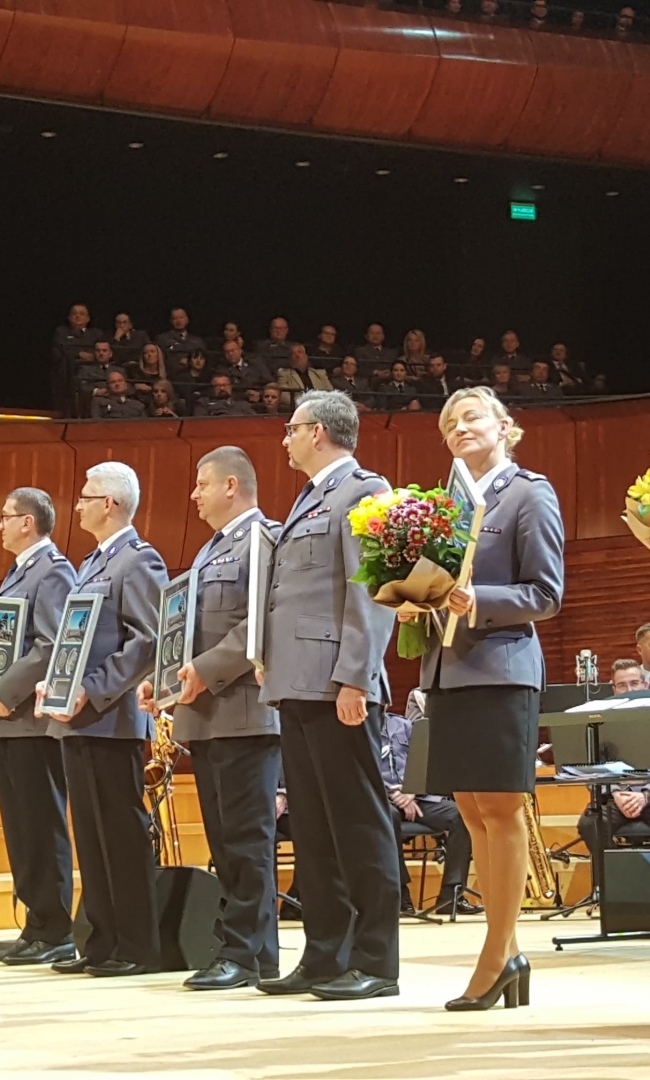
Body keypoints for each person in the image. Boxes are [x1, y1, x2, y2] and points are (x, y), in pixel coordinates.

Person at [405, 387, 564, 1011]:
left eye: (471, 416)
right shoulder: (442, 506)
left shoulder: (529, 493)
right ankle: (510, 951)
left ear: (504, 426)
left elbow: (546, 594)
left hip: (501, 668)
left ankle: (495, 955)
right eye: (449, 421)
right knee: (472, 815)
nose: (459, 427)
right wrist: (411, 599)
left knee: (501, 812)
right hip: (447, 671)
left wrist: (480, 601)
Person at [258, 390, 400, 1002]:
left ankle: (376, 961)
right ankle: (324, 954)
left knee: (359, 824)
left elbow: (373, 592)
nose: (285, 439)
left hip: (337, 684)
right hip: (297, 682)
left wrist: (356, 678)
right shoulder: (309, 497)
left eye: (291, 428)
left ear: (317, 432)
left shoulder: (364, 492)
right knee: (314, 829)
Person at [143, 447, 284, 990]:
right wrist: (160, 679)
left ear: (231, 486)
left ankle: (241, 952)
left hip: (244, 712)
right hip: (205, 714)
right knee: (226, 842)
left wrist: (202, 670)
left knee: (246, 841)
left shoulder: (261, 539)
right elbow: (186, 632)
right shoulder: (210, 550)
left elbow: (260, 623)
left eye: (202, 484)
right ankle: (256, 953)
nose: (194, 494)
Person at [41, 463, 167, 976]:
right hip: (78, 717)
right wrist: (56, 684)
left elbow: (149, 640)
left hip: (110, 718)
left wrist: (89, 690)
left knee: (119, 832)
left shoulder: (138, 560)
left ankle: (135, 946)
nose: (77, 506)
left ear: (110, 504)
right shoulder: (93, 562)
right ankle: (100, 941)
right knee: (91, 836)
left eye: (85, 497)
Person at [0, 489, 80, 966]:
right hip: (6, 720)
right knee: (20, 828)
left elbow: (52, 644)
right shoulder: (20, 571)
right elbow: (15, 639)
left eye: (6, 516)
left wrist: (6, 689)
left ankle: (55, 928)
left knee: (41, 823)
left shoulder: (52, 570)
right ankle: (36, 923)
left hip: (29, 718)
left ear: (28, 522)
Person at [575, 662, 650, 856]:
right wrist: (615, 792)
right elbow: (590, 769)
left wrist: (646, 796)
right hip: (615, 798)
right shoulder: (598, 721)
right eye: (622, 685)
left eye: (634, 683)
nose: (629, 690)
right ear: (614, 689)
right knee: (589, 824)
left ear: (645, 685)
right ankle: (614, 873)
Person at [386, 691, 474, 914]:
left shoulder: (404, 725)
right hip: (381, 799)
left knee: (462, 815)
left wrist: (412, 790)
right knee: (388, 817)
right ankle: (399, 895)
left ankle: (451, 896)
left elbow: (424, 761)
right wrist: (392, 793)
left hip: (417, 798)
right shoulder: (354, 732)